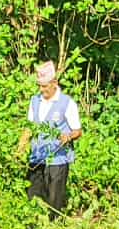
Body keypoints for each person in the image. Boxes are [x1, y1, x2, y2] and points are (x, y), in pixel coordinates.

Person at [20, 60, 83, 218]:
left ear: (54, 83)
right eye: (40, 86)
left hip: (58, 159)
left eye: (45, 86)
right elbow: (30, 127)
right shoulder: (35, 101)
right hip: (37, 158)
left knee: (53, 201)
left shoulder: (67, 103)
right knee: (33, 198)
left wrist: (68, 136)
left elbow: (77, 131)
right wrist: (21, 145)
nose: (42, 90)